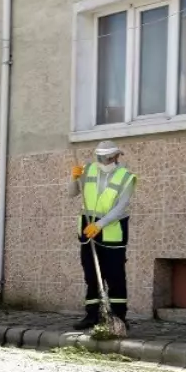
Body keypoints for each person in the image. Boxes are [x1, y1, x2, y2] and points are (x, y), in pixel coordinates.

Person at [69, 141, 137, 330]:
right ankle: (92, 315)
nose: (102, 161)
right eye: (99, 157)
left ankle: (118, 318)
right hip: (88, 229)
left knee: (115, 276)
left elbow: (120, 208)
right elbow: (71, 194)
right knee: (91, 275)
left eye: (106, 157)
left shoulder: (126, 177)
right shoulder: (88, 170)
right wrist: (74, 179)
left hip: (112, 232)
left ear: (116, 156)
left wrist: (99, 225)